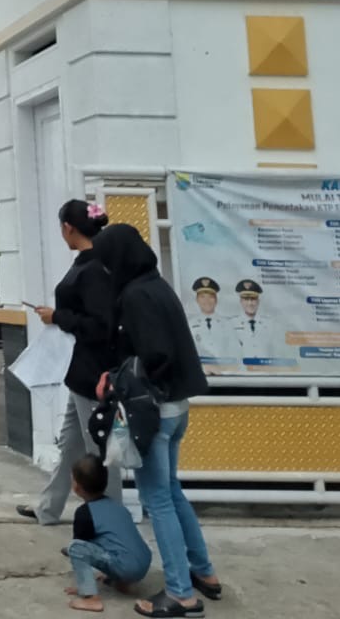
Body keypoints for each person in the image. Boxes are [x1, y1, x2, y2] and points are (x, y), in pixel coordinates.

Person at [93, 224, 222, 619]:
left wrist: (115, 378)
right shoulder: (157, 285)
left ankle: (181, 594)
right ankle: (203, 571)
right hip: (177, 407)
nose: (105, 269)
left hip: (155, 412)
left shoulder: (135, 295)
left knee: (157, 500)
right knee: (172, 491)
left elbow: (155, 355)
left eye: (106, 261)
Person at [18, 201, 122, 524]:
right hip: (80, 372)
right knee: (70, 443)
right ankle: (49, 507)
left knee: (99, 451)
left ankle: (111, 520)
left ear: (68, 227)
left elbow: (100, 325)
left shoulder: (94, 270)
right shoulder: (91, 263)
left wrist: (58, 317)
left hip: (93, 374)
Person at [65, 453, 152, 612]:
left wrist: (84, 584)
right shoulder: (117, 505)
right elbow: (117, 540)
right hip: (144, 562)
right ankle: (122, 582)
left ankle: (91, 598)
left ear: (77, 487)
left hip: (127, 568)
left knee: (75, 548)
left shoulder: (84, 513)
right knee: (111, 540)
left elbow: (84, 549)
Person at [186, 277, 237, 372]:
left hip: (224, 374)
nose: (207, 301)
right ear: (197, 300)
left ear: (216, 300)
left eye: (210, 297)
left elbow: (234, 351)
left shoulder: (227, 324)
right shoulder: (189, 324)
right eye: (202, 297)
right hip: (199, 372)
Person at [230, 278, 268, 358]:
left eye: (253, 299)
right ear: (241, 301)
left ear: (258, 301)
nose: (250, 303)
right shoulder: (231, 324)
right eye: (246, 299)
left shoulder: (269, 324)